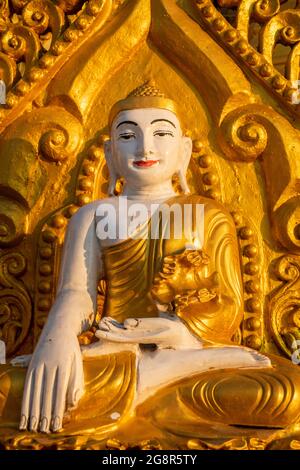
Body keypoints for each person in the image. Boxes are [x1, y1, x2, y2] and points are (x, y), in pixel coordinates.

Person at [1, 83, 300, 441]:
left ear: (183, 151)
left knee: (286, 393)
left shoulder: (207, 214)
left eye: (161, 132)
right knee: (6, 390)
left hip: (187, 352)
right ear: (111, 154)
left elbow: (229, 303)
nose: (145, 146)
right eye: (129, 136)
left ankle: (157, 377)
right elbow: (75, 292)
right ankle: (154, 384)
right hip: (111, 355)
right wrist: (57, 340)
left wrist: (176, 333)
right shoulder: (94, 215)